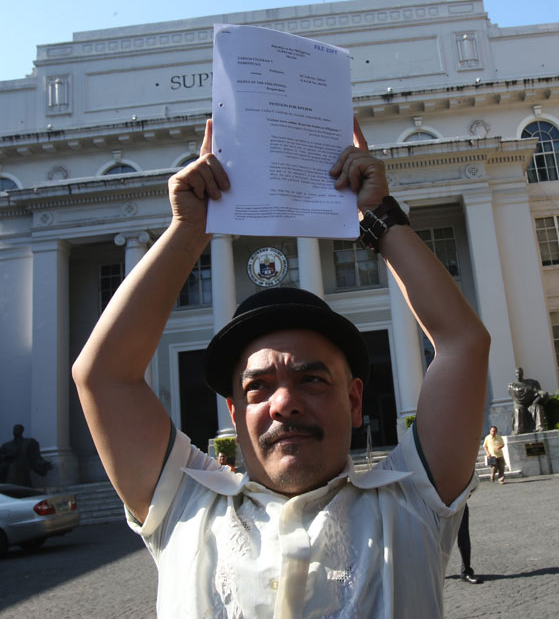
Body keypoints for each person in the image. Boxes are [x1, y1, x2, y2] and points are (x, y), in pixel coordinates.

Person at [72, 118, 490, 618]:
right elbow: (103, 376)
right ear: (232, 410)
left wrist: (379, 216)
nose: (285, 402)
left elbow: (463, 344)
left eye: (312, 379)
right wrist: (188, 230)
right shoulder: (185, 509)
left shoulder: (411, 504)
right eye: (258, 387)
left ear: (354, 399)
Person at [457, 504, 481, 584]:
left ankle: (466, 571)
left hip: (459, 502)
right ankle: (433, 570)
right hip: (436, 502)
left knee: (463, 535)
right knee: (437, 538)